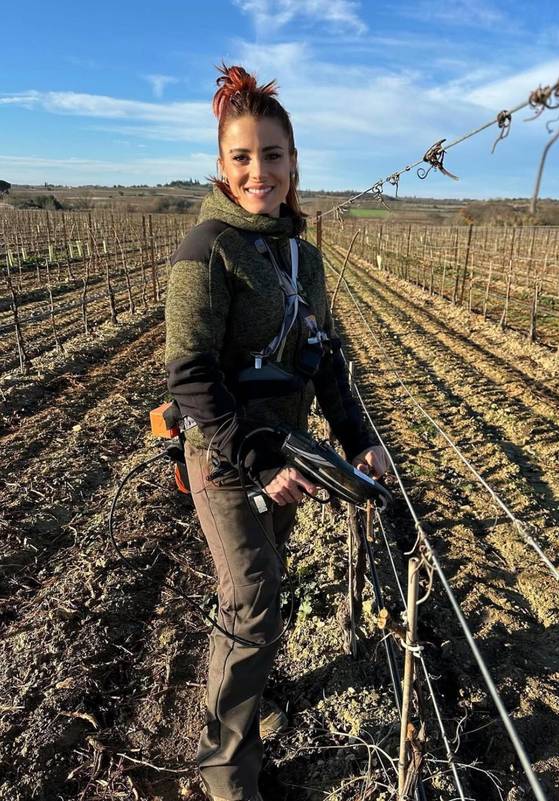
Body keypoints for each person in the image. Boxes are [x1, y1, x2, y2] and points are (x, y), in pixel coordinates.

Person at [164, 63, 389, 801]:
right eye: (241, 156)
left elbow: (324, 356)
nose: (258, 170)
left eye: (272, 155)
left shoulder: (305, 256)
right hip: (229, 457)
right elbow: (191, 376)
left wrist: (357, 436)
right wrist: (257, 458)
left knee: (264, 591)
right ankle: (228, 768)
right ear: (222, 167)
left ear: (294, 165)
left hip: (290, 455)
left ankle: (247, 708)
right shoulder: (209, 249)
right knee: (252, 599)